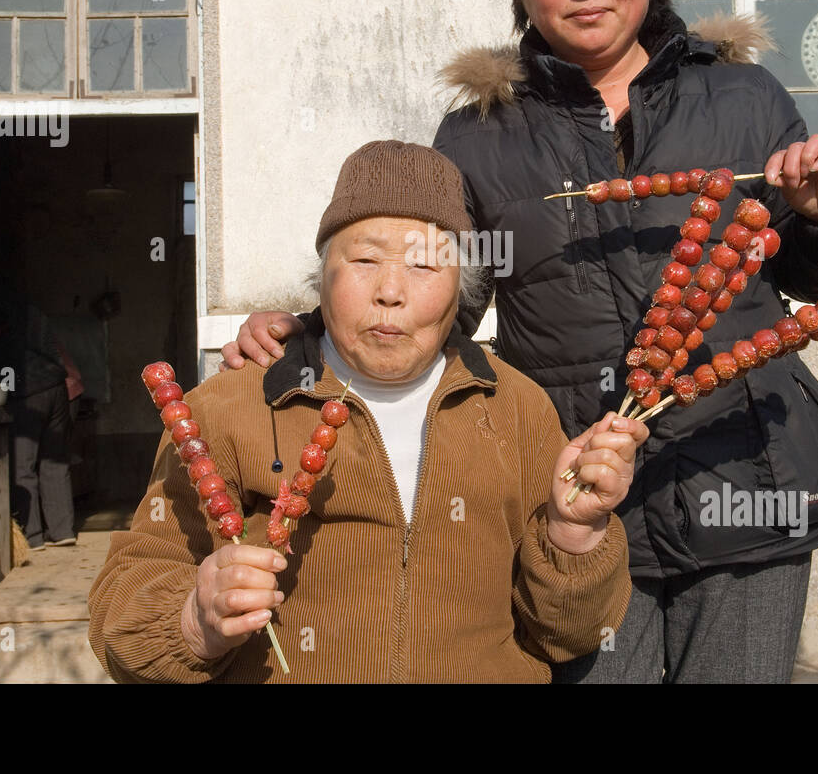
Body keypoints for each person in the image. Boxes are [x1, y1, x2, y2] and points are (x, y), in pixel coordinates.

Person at [220, 0, 818, 683]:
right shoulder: (478, 136)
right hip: (578, 491)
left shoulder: (742, 96)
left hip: (750, 471)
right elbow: (437, 298)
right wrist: (309, 336)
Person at [89, 141, 644, 683]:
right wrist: (195, 620)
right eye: (364, 259)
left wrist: (574, 533)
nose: (390, 291)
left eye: (426, 265)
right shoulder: (231, 408)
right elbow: (127, 612)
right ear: (322, 275)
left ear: (462, 290)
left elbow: (571, 637)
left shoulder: (516, 409)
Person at [0, 255, 77, 550]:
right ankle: (62, 531)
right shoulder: (21, 301)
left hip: (27, 392)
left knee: (22, 465)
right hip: (56, 388)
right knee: (54, 460)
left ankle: (31, 537)